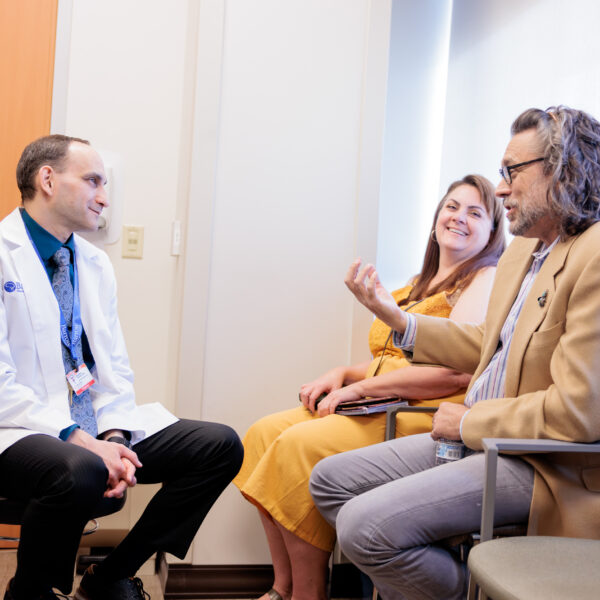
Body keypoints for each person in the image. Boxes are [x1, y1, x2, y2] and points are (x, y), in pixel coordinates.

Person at [310, 105, 600, 600]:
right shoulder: (525, 253)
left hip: (541, 463)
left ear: (562, 170)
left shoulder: (592, 256)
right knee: (330, 481)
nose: (501, 187)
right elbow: (488, 344)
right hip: (480, 440)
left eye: (511, 172)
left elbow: (577, 412)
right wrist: (399, 320)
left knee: (364, 526)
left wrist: (468, 423)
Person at [234, 174, 505, 600]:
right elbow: (388, 357)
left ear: (493, 232)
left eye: (476, 213)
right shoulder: (421, 282)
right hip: (383, 399)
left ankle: (308, 592)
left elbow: (456, 371)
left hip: (420, 412)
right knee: (262, 434)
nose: (458, 218)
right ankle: (282, 587)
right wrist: (343, 373)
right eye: (452, 206)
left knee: (296, 446)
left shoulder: (483, 279)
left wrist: (360, 391)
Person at [0, 135, 243, 600]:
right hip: (17, 428)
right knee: (81, 469)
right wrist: (85, 441)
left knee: (219, 446)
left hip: (91, 423)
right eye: (92, 181)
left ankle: (109, 576)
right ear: (46, 179)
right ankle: (30, 591)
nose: (105, 197)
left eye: (105, 183)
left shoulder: (93, 263)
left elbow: (112, 370)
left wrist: (113, 439)